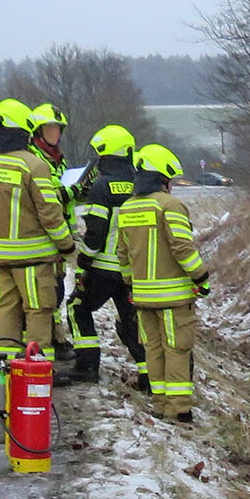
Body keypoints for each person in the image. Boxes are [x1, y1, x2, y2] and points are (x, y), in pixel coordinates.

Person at [0, 98, 76, 365]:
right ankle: (38, 373)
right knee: (38, 311)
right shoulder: (34, 166)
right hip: (34, 261)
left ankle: (6, 369)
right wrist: (67, 247)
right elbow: (51, 215)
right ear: (25, 131)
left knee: (5, 311)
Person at [114, 144, 209, 423]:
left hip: (143, 297)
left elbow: (123, 254)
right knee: (177, 349)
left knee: (153, 350)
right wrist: (201, 277)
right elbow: (182, 247)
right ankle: (179, 409)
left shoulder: (128, 207)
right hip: (174, 297)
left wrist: (131, 284)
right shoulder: (170, 206)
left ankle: (159, 404)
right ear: (163, 178)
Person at [66, 124, 147, 388]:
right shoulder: (139, 185)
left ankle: (87, 366)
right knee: (131, 321)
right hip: (132, 271)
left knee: (78, 307)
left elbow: (96, 232)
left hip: (103, 267)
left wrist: (84, 261)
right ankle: (148, 374)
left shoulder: (102, 186)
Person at [28, 102, 76, 362]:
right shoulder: (35, 159)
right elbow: (47, 197)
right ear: (38, 131)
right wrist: (70, 192)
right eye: (51, 128)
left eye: (59, 129)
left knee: (56, 289)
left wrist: (80, 191)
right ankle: (48, 343)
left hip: (60, 229)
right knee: (49, 292)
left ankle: (57, 337)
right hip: (44, 235)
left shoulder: (57, 158)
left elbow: (64, 196)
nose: (56, 133)